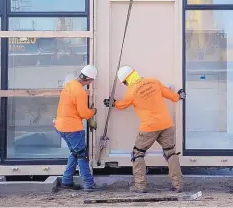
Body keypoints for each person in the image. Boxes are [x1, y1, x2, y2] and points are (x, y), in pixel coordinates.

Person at [103, 65, 186, 193]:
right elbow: (172, 96)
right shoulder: (154, 81)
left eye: (124, 83)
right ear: (134, 73)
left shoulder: (132, 92)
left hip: (149, 127)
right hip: (166, 124)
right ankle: (178, 184)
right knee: (170, 153)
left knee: (138, 154)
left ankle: (140, 186)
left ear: (126, 80)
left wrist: (113, 103)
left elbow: (122, 105)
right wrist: (179, 95)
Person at [54, 64, 99, 192]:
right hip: (72, 128)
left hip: (60, 126)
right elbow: (84, 113)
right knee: (82, 156)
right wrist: (93, 111)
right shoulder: (80, 92)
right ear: (89, 80)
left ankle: (67, 181)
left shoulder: (70, 84)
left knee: (75, 153)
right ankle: (89, 184)